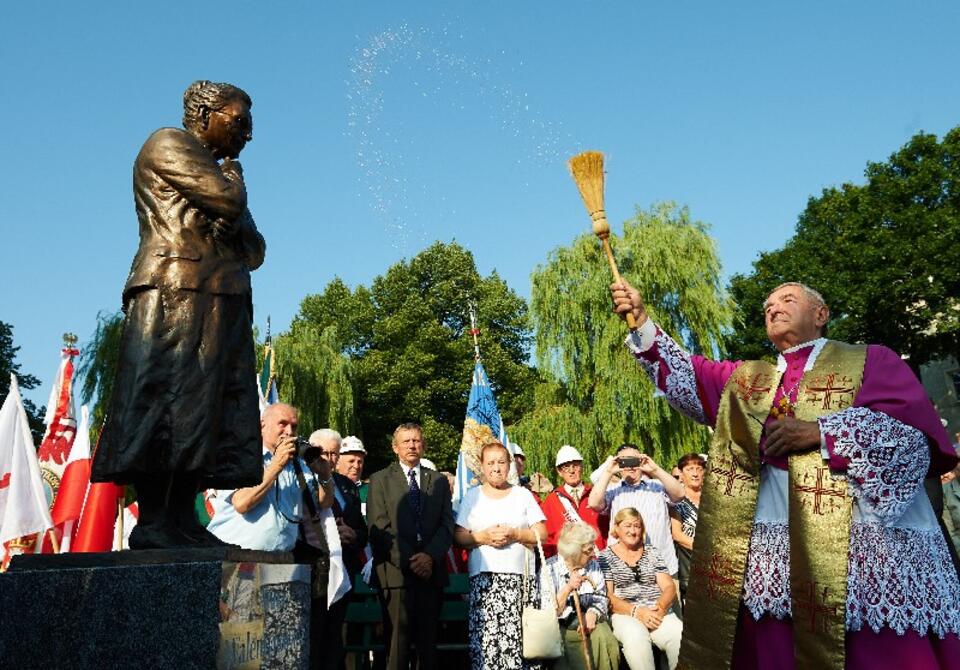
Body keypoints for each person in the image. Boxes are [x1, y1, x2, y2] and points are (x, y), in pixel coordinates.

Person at [610, 278, 960, 668]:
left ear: (821, 315)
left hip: (861, 544)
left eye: (787, 300)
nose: (773, 309)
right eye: (767, 307)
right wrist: (641, 323)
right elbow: (689, 377)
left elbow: (915, 442)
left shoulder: (871, 359)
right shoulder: (748, 378)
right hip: (773, 539)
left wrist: (822, 433)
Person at [91, 80, 266, 548]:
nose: (247, 134)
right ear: (206, 113)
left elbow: (254, 249)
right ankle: (153, 521)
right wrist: (234, 185)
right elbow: (230, 204)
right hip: (175, 287)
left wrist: (232, 197)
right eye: (239, 120)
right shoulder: (170, 143)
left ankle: (183, 520)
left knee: (208, 409)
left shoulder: (218, 170)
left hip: (223, 294)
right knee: (165, 401)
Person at [367, 423, 455, 670]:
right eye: (406, 441)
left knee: (429, 647)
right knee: (397, 647)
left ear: (423, 446)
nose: (412, 446)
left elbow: (447, 524)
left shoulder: (438, 481)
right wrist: (410, 560)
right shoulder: (380, 480)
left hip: (431, 575)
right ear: (395, 447)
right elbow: (378, 526)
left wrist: (429, 557)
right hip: (396, 576)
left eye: (416, 441)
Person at [454, 441, 548, 670]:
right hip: (484, 583)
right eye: (491, 463)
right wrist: (483, 537)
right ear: (483, 467)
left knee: (520, 645)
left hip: (519, 583)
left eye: (501, 462)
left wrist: (516, 533)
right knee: (487, 646)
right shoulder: (472, 497)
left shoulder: (522, 495)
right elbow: (458, 537)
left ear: (510, 466)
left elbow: (542, 534)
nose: (496, 468)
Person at [207, 403, 333, 551]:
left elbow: (324, 503)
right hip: (233, 557)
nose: (289, 431)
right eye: (283, 424)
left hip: (280, 560)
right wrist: (276, 465)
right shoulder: (239, 456)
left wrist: (325, 475)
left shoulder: (298, 465)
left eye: (294, 426)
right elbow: (242, 503)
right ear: (262, 426)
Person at [307, 429, 368, 670]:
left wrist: (353, 535)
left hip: (343, 570)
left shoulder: (346, 485)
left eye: (334, 453)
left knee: (335, 638)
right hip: (313, 572)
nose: (329, 459)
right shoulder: (302, 479)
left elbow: (363, 532)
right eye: (324, 453)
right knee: (314, 636)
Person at [599, 508, 682, 670]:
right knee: (636, 636)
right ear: (616, 528)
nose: (632, 531)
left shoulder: (652, 552)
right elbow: (607, 596)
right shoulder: (605, 557)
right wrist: (637, 612)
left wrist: (660, 608)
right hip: (624, 613)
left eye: (637, 526)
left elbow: (668, 586)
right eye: (627, 525)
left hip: (656, 610)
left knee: (679, 634)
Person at [587, 444, 683, 584]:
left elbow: (680, 494)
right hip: (623, 570)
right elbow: (594, 503)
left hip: (662, 567)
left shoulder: (658, 486)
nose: (631, 466)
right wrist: (608, 472)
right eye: (625, 462)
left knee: (668, 605)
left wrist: (655, 469)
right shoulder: (613, 491)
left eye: (634, 461)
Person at [541, 522, 620, 670]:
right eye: (589, 549)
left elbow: (601, 597)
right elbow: (549, 611)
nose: (593, 553)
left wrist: (593, 612)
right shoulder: (549, 569)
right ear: (574, 552)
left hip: (590, 625)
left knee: (604, 636)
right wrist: (568, 587)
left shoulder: (593, 565)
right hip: (561, 627)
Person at [541, 445, 607, 558]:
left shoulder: (597, 494)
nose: (571, 471)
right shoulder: (551, 501)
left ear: (582, 467)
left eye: (575, 466)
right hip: (567, 564)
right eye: (566, 467)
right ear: (559, 472)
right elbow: (547, 539)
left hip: (598, 559)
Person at [670, 453, 704, 609]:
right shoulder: (676, 500)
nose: (695, 473)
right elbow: (677, 535)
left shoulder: (713, 497)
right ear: (681, 475)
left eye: (699, 468)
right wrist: (704, 550)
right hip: (689, 564)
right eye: (690, 469)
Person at [337, 435, 368, 515]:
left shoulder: (372, 491)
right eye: (351, 461)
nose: (356, 466)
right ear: (337, 463)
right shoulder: (330, 491)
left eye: (360, 462)